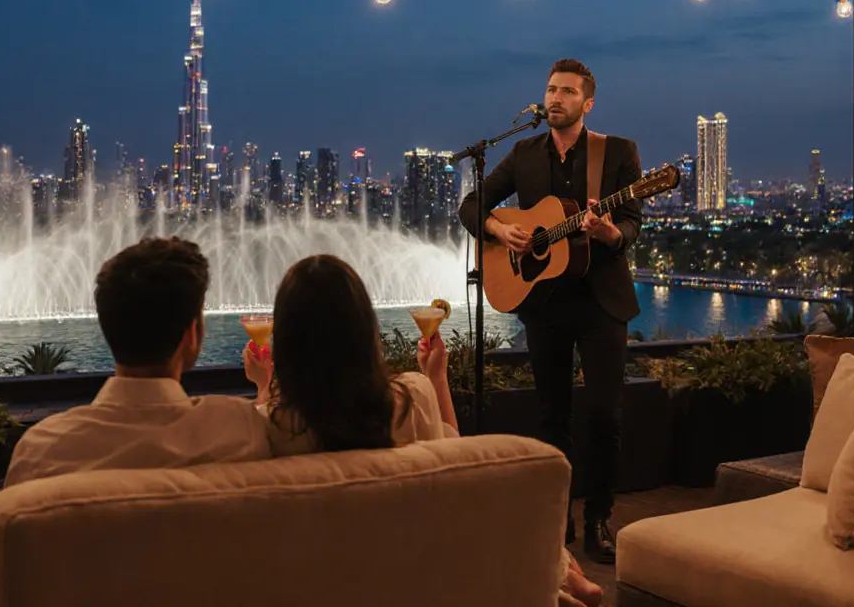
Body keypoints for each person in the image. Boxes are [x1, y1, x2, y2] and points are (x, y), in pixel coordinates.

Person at [241, 254, 603, 606]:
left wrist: (263, 386)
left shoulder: (267, 424)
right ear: (365, 330)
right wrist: (437, 378)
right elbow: (455, 462)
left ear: (286, 342)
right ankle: (564, 579)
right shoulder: (409, 397)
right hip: (414, 573)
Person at [0, 237, 272, 606]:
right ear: (193, 334)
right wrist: (262, 387)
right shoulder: (237, 429)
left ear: (108, 327)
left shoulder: (44, 449)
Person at [458, 59, 642, 565]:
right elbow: (471, 205)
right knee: (551, 416)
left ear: (588, 102)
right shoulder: (523, 153)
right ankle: (556, 517)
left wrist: (610, 234)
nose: (555, 98)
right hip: (545, 302)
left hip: (602, 301)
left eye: (567, 91)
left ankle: (599, 518)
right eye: (551, 89)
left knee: (605, 415)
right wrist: (499, 231)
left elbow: (632, 221)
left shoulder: (618, 153)